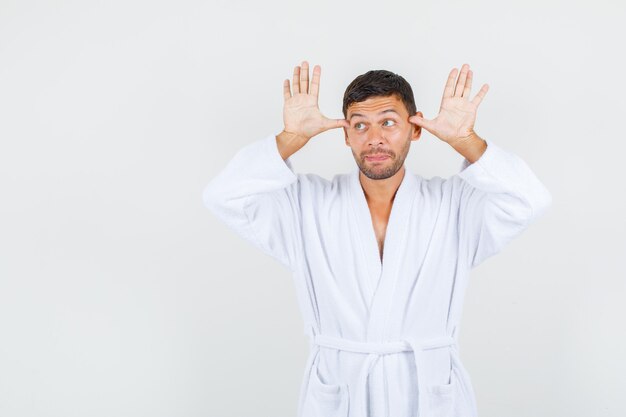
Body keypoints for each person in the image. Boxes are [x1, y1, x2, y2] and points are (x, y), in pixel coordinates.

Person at [202, 60, 552, 417]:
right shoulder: (305, 205)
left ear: (415, 129)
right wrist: (290, 139)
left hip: (428, 394)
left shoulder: (455, 206)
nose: (375, 139)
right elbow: (223, 197)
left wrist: (467, 142)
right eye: (360, 125)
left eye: (388, 122)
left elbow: (531, 200)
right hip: (341, 392)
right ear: (346, 134)